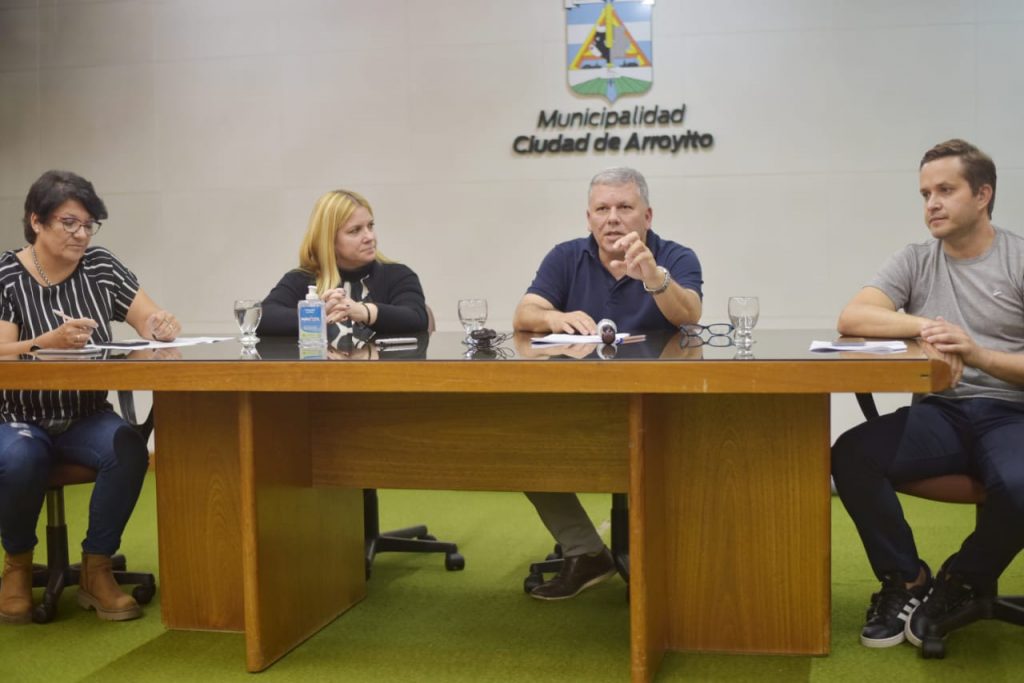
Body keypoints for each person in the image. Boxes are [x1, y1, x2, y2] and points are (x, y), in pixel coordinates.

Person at [832, 139, 1024, 649]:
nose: (932, 204)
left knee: (1022, 484)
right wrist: (927, 327)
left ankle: (962, 580)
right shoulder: (917, 260)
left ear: (982, 195)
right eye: (924, 194)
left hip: (1011, 412)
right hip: (943, 411)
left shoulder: (1018, 258)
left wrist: (977, 354)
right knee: (851, 454)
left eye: (945, 190)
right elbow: (853, 316)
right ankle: (907, 579)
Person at [513, 167, 703, 600]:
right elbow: (524, 313)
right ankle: (585, 551)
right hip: (579, 401)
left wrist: (653, 277)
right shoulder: (566, 257)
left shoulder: (675, 257)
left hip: (659, 405)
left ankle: (670, 559)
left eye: (624, 207)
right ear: (589, 217)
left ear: (647, 216)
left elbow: (689, 315)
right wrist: (553, 317)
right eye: (602, 209)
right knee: (525, 444)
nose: (612, 218)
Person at [0, 170, 181, 624]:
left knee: (128, 447)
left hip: (85, 414)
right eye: (69, 223)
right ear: (36, 221)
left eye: (88, 225)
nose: (81, 235)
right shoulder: (7, 275)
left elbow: (146, 318)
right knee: (21, 457)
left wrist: (159, 325)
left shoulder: (100, 267)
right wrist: (44, 343)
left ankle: (96, 569)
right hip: (19, 416)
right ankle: (17, 566)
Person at [259, 189, 429, 343]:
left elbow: (417, 318)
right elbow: (262, 318)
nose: (369, 237)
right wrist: (317, 314)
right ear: (329, 240)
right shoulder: (301, 279)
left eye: (370, 226)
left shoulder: (398, 275)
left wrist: (363, 312)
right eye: (355, 230)